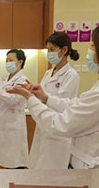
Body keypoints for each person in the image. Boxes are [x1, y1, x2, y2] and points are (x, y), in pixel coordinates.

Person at [8, 20, 99, 169]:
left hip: (91, 165)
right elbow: (76, 104)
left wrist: (30, 98)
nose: (90, 50)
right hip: (87, 157)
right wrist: (45, 98)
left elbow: (59, 124)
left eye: (93, 45)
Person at [29, 33, 80, 169]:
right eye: (48, 50)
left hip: (58, 127)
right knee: (38, 165)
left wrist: (43, 97)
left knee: (53, 169)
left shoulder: (71, 75)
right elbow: (42, 95)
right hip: (44, 124)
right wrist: (31, 92)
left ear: (64, 50)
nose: (49, 53)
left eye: (52, 49)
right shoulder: (48, 73)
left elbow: (62, 104)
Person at [0, 49, 29, 168]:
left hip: (14, 126)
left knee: (15, 162)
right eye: (7, 60)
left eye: (11, 60)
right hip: (2, 125)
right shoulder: (3, 79)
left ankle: (17, 179)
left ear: (20, 62)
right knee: (5, 160)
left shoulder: (23, 81)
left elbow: (13, 99)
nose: (8, 63)